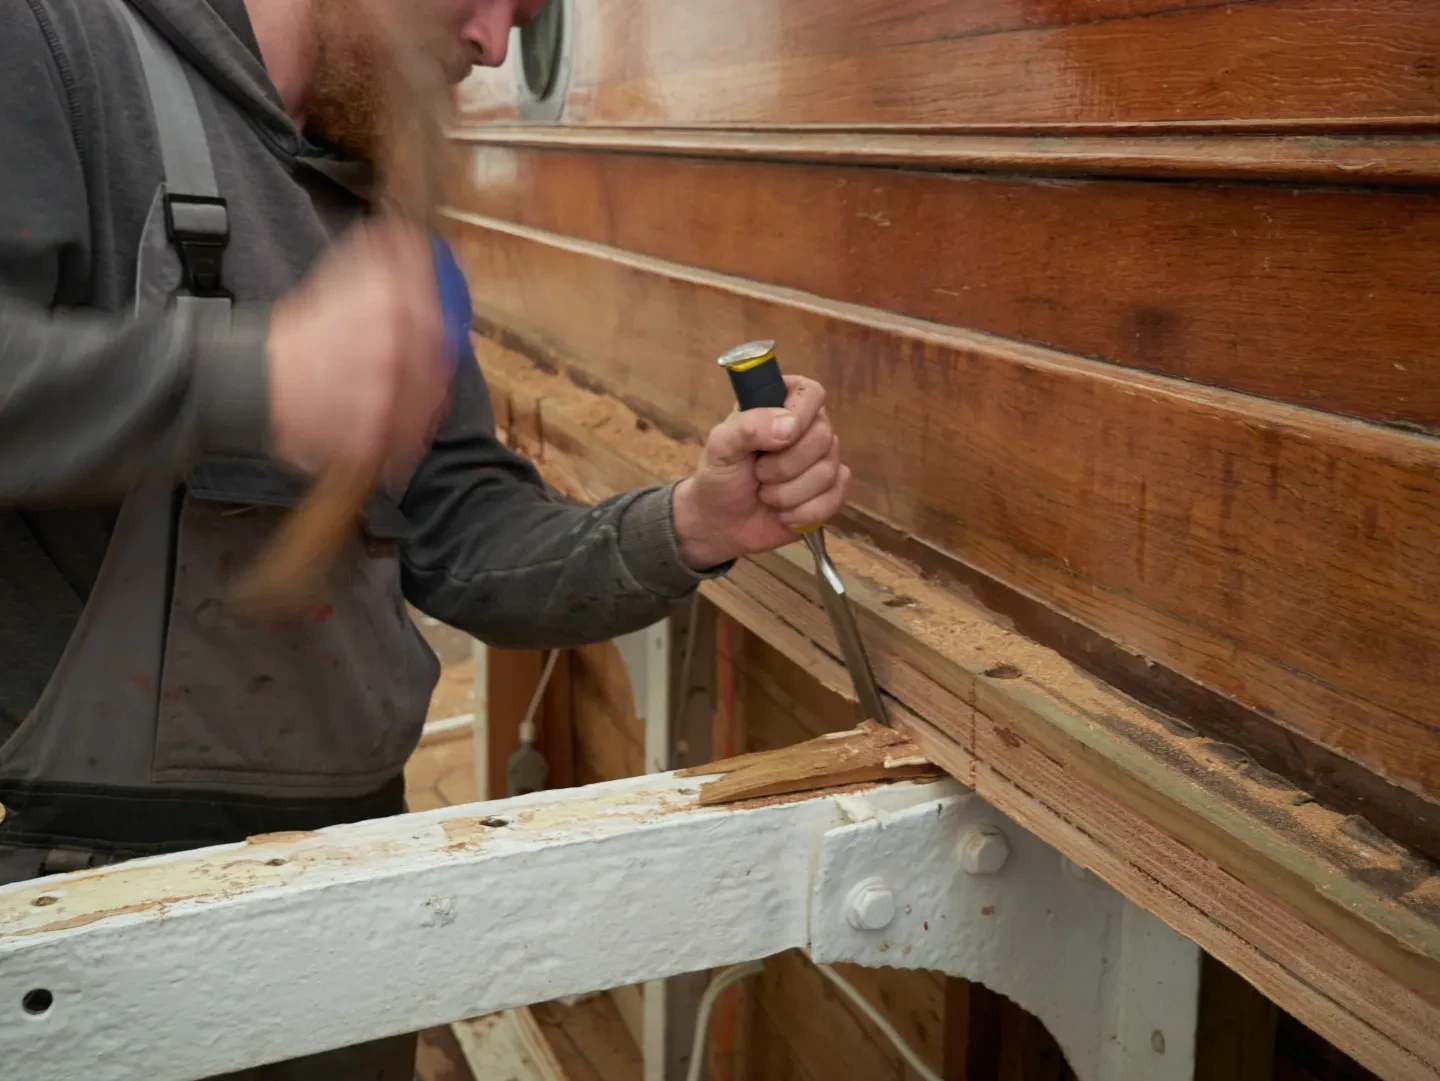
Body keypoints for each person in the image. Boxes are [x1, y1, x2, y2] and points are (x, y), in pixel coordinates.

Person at [0, 0, 850, 1076]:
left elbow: (459, 523)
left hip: (350, 889)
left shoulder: (382, 186)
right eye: (494, 2)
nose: (497, 45)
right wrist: (253, 375)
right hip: (86, 909)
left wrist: (689, 525)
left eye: (530, 20)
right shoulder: (54, 46)